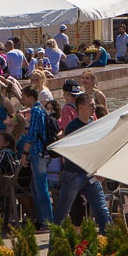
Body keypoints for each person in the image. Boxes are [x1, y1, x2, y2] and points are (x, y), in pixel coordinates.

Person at [53, 92, 113, 229]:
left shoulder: (94, 124)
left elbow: (98, 148)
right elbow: (73, 151)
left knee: (102, 210)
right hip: (74, 174)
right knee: (63, 210)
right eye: (91, 105)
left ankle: (109, 242)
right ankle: (54, 242)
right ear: (80, 107)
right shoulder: (72, 128)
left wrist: (100, 168)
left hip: (90, 174)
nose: (94, 108)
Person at [15, 85, 54, 228]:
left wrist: (24, 154)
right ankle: (39, 217)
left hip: (38, 153)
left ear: (31, 98)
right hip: (43, 152)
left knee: (41, 187)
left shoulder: (36, 111)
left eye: (24, 98)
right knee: (34, 185)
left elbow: (31, 135)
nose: (22, 100)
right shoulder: (42, 110)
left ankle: (47, 221)